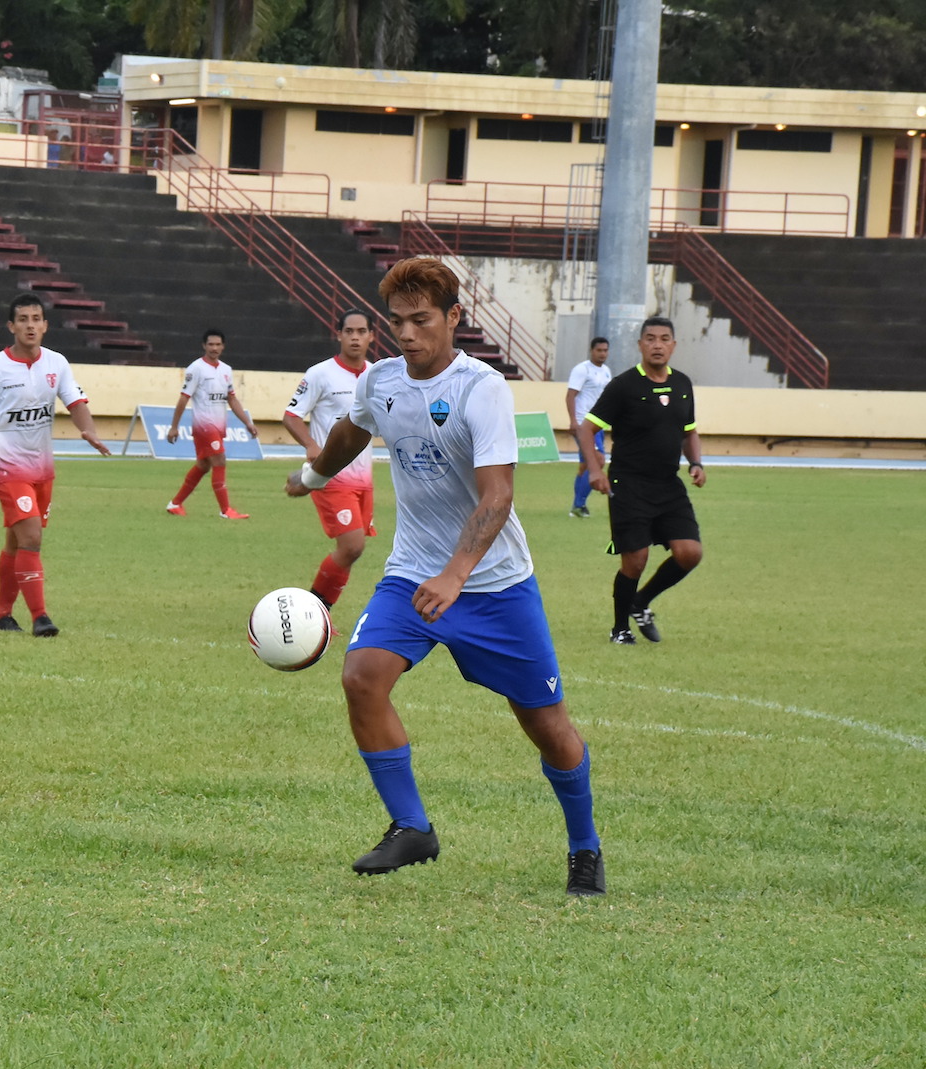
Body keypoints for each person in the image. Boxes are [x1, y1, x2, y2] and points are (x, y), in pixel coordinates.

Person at [286, 257, 603, 897]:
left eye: (421, 320)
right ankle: (412, 827)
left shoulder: (481, 388)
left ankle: (585, 847)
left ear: (454, 317)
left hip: (496, 586)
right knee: (361, 677)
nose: (405, 334)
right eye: (397, 322)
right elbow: (351, 433)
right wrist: (314, 476)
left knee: (548, 728)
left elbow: (498, 497)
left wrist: (458, 575)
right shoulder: (380, 382)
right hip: (411, 574)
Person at [0, 292, 113, 638]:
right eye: (23, 319)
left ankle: (1, 615)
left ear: (46, 325)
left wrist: (89, 431)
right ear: (11, 326)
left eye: (36, 319)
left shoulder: (57, 363)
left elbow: (76, 400)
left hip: (42, 469)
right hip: (8, 468)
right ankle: (41, 617)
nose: (30, 325)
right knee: (32, 537)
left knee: (15, 542)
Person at [577, 317, 705, 646]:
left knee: (689, 553)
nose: (658, 344)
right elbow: (587, 428)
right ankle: (620, 627)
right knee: (636, 559)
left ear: (673, 345)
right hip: (628, 483)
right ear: (640, 345)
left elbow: (689, 431)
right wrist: (594, 470)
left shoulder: (682, 384)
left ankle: (640, 602)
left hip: (668, 484)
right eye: (650, 339)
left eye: (664, 339)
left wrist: (696, 463)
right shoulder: (623, 386)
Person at [282, 309, 375, 606]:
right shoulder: (320, 374)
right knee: (352, 546)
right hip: (331, 475)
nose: (355, 337)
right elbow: (291, 416)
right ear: (339, 335)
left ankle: (321, 614)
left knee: (351, 551)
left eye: (362, 331)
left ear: (371, 336)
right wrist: (310, 445)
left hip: (364, 478)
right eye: (349, 331)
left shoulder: (376, 375)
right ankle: (315, 609)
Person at [163, 328, 255, 519]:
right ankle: (226, 510)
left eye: (218, 344)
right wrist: (174, 426)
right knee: (219, 460)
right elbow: (183, 398)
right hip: (204, 425)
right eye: (211, 344)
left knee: (204, 465)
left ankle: (175, 503)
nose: (214, 348)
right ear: (204, 346)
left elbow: (232, 399)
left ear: (223, 346)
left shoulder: (226, 370)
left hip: (219, 424)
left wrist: (247, 422)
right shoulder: (196, 369)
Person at [565, 336, 612, 518]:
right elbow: (570, 396)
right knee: (598, 460)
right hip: (584, 424)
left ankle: (577, 507)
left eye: (605, 350)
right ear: (592, 351)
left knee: (585, 466)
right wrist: (573, 421)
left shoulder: (606, 371)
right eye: (599, 350)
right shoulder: (581, 370)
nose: (602, 354)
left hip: (597, 424)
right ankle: (579, 505)